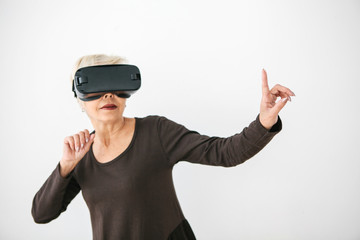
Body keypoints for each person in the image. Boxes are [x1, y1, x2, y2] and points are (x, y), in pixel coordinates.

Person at [31, 54, 295, 240]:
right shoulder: (80, 155)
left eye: (116, 85)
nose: (108, 95)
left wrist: (264, 121)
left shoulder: (156, 132)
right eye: (97, 87)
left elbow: (224, 152)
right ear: (79, 98)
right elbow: (41, 214)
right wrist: (65, 167)